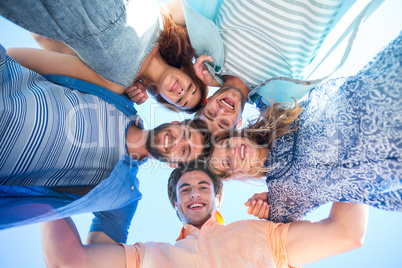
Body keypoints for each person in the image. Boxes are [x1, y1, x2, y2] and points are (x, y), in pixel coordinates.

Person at [0, 43, 211, 242]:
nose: (177, 141)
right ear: (175, 122)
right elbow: (21, 58)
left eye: (184, 150)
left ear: (173, 164)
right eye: (184, 133)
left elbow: (94, 258)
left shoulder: (122, 195)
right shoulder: (117, 93)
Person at [208, 32, 402, 223]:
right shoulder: (282, 195)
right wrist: (270, 211)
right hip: (390, 145)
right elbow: (287, 235)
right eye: (226, 161)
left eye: (226, 144)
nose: (232, 151)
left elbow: (246, 80)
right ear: (235, 174)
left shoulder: (274, 115)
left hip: (382, 83)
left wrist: (210, 79)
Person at [40, 162, 368, 268]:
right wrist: (40, 184)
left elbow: (345, 233)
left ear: (217, 198)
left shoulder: (263, 233)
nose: (194, 193)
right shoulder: (147, 256)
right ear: (176, 205)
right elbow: (68, 261)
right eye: (184, 190)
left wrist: (354, 159)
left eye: (202, 187)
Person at [184, 0, 383, 133]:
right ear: (239, 123)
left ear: (206, 100)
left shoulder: (208, 52)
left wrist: (200, 69)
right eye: (225, 123)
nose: (220, 112)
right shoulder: (280, 96)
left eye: (210, 113)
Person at [0, 0, 208, 113]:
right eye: (190, 88)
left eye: (181, 100)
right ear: (186, 71)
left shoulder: (117, 84)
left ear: (165, 99)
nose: (182, 92)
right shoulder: (167, 23)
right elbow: (210, 8)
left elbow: (20, 55)